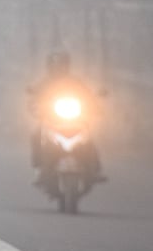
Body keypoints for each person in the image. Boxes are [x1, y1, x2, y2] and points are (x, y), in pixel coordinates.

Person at [28, 49, 106, 186]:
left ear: (67, 65)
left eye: (61, 64)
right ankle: (39, 169)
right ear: (49, 66)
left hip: (75, 121)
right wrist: (35, 107)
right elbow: (34, 98)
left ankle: (95, 169)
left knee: (88, 140)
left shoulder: (75, 82)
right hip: (51, 121)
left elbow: (88, 96)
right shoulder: (44, 83)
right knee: (36, 136)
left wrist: (95, 106)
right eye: (55, 64)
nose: (58, 67)